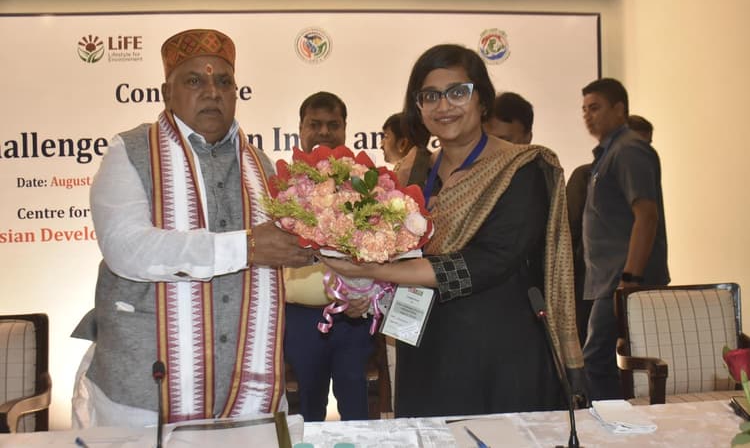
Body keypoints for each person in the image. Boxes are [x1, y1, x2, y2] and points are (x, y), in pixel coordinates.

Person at [321, 44, 583, 417]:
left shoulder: (520, 169)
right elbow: (394, 255)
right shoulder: (410, 173)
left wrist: (376, 270)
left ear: (483, 100)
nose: (444, 106)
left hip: (500, 355)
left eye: (458, 92)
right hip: (425, 352)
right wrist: (367, 292)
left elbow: (490, 261)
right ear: (418, 107)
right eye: (430, 96)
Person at [70, 29, 312, 427]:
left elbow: (285, 254)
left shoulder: (262, 165)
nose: (213, 92)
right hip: (144, 395)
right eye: (195, 81)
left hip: (247, 389)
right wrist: (246, 247)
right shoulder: (129, 151)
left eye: (224, 82)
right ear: (167, 93)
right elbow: (127, 249)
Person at [283, 91, 374, 421]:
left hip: (353, 317)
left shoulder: (365, 184)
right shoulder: (282, 185)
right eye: (315, 124)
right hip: (300, 317)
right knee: (307, 410)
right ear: (300, 129)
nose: (324, 132)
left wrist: (369, 295)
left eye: (333, 125)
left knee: (356, 406)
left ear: (345, 128)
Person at [580, 79, 669, 401]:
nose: (588, 116)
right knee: (605, 362)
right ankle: (619, 420)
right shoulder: (609, 152)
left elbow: (646, 216)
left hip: (623, 280)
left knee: (595, 361)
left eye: (595, 108)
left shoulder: (628, 149)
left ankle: (614, 424)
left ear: (619, 109)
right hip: (608, 279)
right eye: (584, 110)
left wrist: (630, 279)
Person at [568, 113, 656, 347]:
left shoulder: (645, 185)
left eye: (647, 145)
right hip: (593, 282)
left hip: (635, 281)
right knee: (594, 352)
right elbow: (570, 231)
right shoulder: (586, 176)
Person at [380, 112, 432, 186]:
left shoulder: (409, 176)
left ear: (403, 144)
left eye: (386, 136)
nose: (381, 144)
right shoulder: (433, 165)